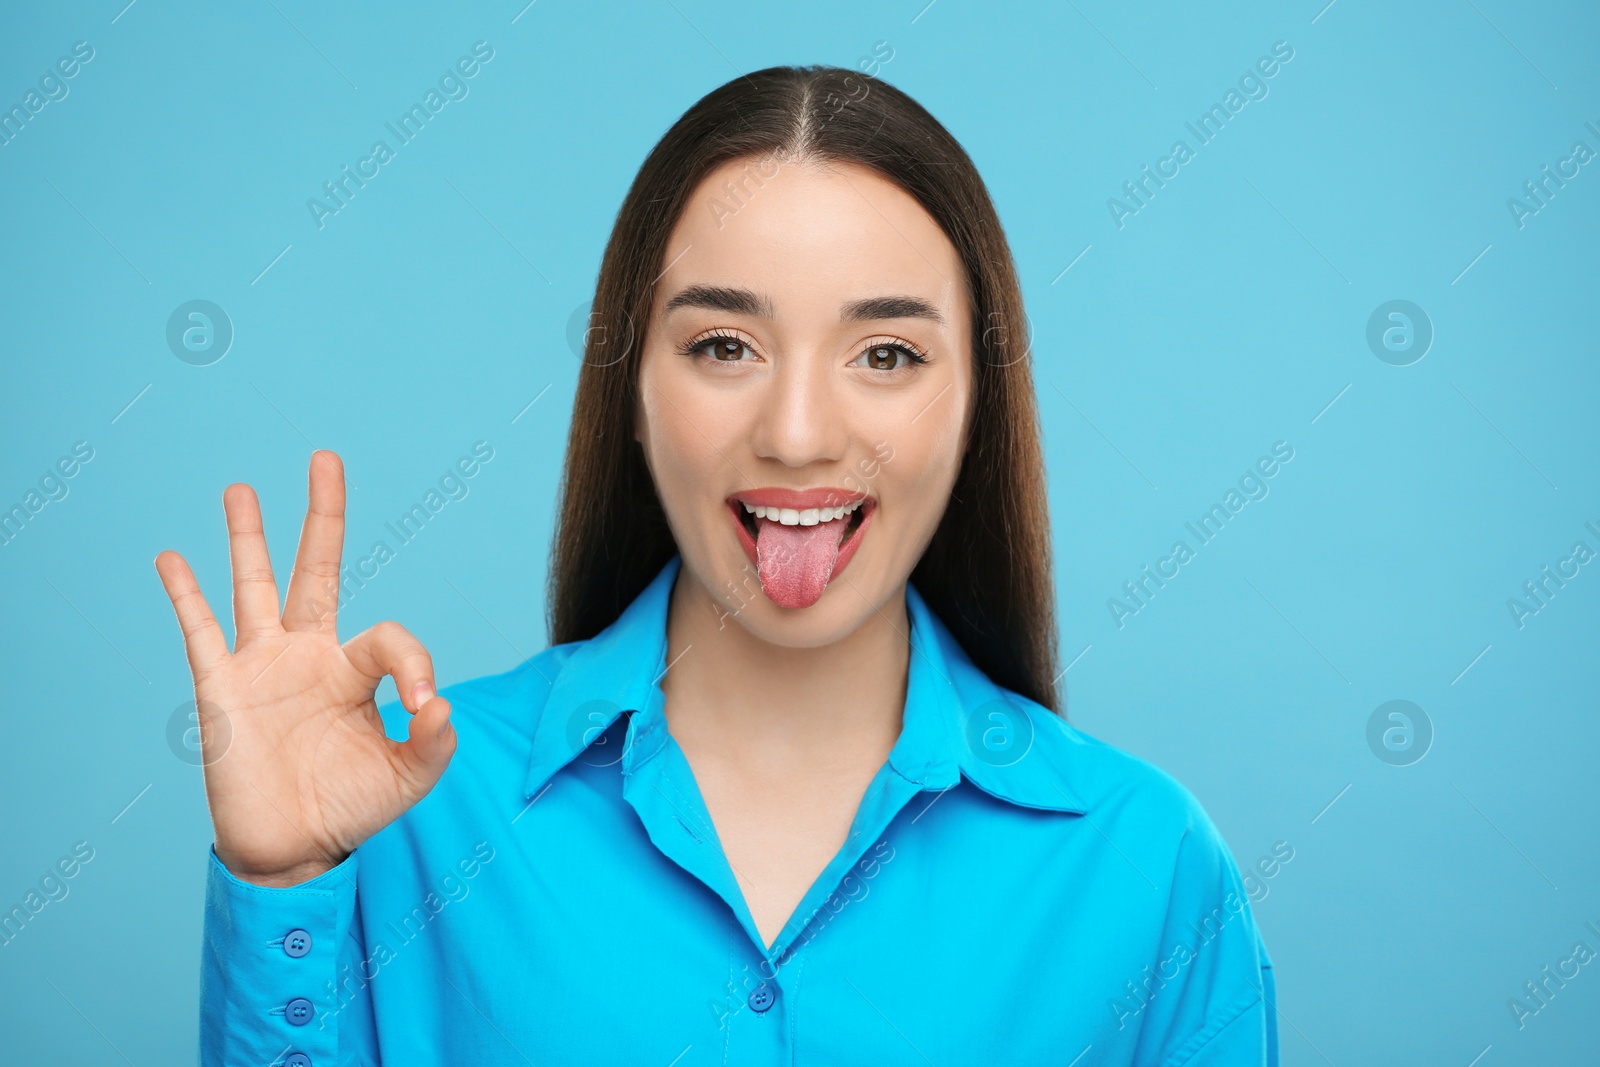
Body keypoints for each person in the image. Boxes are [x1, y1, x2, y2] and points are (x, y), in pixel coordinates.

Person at [155, 64, 1278, 1065]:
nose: (797, 431)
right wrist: (281, 880)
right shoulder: (412, 811)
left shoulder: (1147, 866)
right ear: (631, 394)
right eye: (722, 346)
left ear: (976, 407)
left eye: (886, 353)